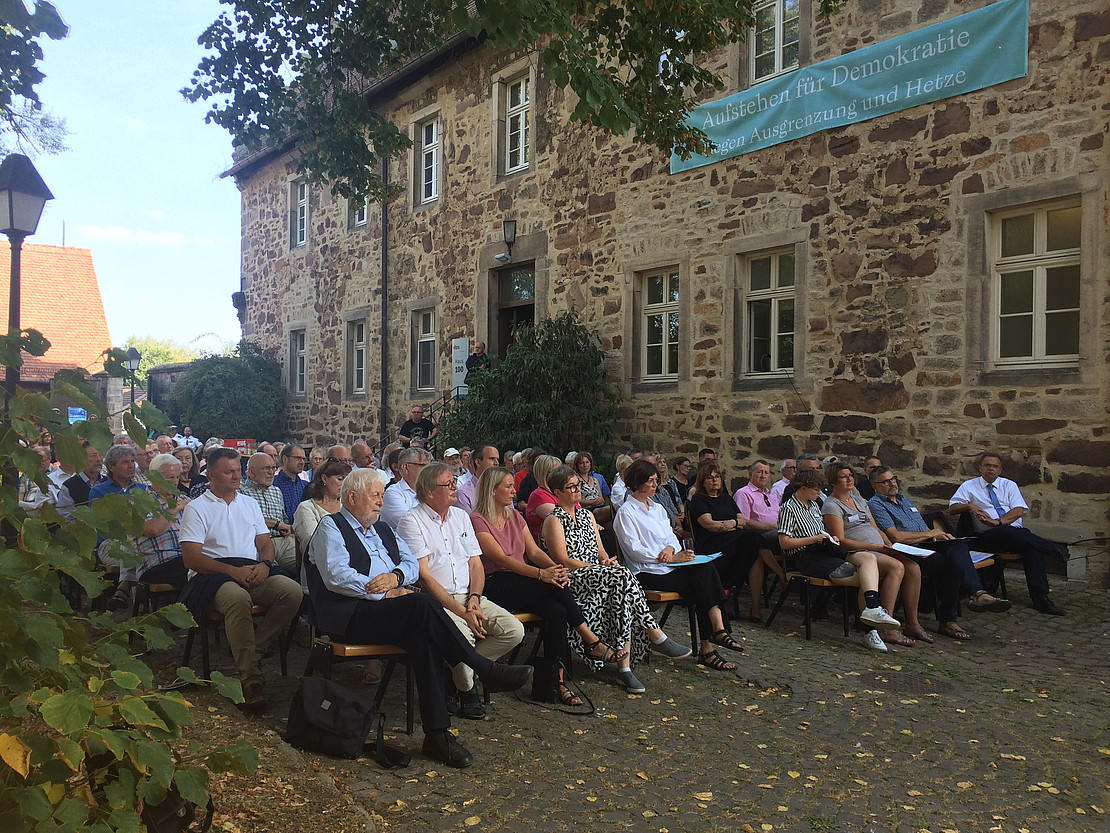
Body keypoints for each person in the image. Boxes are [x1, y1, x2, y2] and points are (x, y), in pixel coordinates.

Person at [305, 468, 533, 768]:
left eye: (383, 496)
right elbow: (336, 575)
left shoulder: (382, 530)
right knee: (423, 604)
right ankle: (483, 668)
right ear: (352, 497)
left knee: (423, 638)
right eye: (375, 496)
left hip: (390, 611)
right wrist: (383, 592)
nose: (381, 503)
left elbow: (411, 565)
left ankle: (437, 735)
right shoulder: (330, 527)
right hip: (350, 616)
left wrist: (396, 576)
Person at [470, 466, 622, 705]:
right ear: (492, 490)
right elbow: (501, 559)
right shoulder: (477, 519)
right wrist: (543, 574)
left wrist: (555, 569)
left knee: (557, 611)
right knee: (554, 586)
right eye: (508, 487)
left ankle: (555, 682)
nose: (514, 491)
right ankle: (591, 640)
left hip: (524, 580)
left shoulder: (515, 517)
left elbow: (533, 551)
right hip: (495, 582)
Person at [543, 465, 692, 693]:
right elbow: (562, 560)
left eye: (578, 485)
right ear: (557, 492)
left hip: (600, 575)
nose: (577, 490)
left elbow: (601, 551)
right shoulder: (554, 520)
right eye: (570, 487)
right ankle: (654, 634)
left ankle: (625, 669)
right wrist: (600, 567)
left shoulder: (587, 515)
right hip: (573, 578)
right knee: (622, 575)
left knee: (621, 591)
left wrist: (606, 562)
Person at [395, 463, 524, 720]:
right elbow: (424, 578)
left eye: (455, 482)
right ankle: (468, 692)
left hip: (469, 595)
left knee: (514, 631)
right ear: (430, 492)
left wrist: (474, 600)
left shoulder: (461, 517)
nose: (455, 487)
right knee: (462, 637)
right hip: (436, 601)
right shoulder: (412, 521)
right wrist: (463, 613)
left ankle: (453, 674)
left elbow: (475, 563)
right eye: (448, 484)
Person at [180, 448, 303, 711]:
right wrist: (231, 572)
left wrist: (266, 565)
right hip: (212, 575)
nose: (236, 476)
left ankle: (252, 652)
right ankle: (250, 679)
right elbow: (191, 559)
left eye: (238, 470)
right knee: (238, 599)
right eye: (229, 472)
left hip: (251, 568)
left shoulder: (249, 504)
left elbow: (264, 542)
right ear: (211, 474)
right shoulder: (197, 508)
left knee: (292, 592)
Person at [614, 459, 744, 672]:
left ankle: (716, 634)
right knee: (701, 581)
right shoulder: (626, 512)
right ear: (637, 483)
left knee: (705, 569)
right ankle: (711, 642)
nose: (656, 485)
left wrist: (672, 550)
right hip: (646, 572)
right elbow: (633, 550)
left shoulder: (657, 508)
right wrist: (665, 556)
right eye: (650, 481)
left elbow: (671, 538)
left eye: (657, 481)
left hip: (670, 566)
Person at [868, 466, 1010, 640]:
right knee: (954, 563)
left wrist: (939, 535)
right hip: (908, 551)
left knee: (958, 547)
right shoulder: (876, 505)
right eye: (886, 481)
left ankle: (976, 595)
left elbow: (924, 528)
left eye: (893, 479)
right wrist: (931, 533)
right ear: (875, 486)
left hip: (928, 545)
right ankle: (956, 614)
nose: (892, 483)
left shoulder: (905, 500)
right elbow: (896, 537)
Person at [777, 468, 901, 652]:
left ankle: (872, 611)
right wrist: (815, 539)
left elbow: (820, 532)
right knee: (867, 580)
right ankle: (870, 630)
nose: (819, 493)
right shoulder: (789, 508)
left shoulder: (812, 506)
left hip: (825, 548)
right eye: (816, 489)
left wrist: (827, 538)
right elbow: (784, 543)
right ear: (803, 488)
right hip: (807, 556)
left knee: (868, 560)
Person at [948, 453, 1065, 615]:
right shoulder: (969, 486)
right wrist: (969, 506)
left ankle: (1041, 599)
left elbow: (1018, 510)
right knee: (1005, 532)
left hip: (1013, 533)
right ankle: (1051, 547)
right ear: (980, 468)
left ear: (1000, 470)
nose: (991, 468)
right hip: (987, 537)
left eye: (995, 466)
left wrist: (999, 522)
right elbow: (952, 508)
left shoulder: (1009, 485)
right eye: (987, 465)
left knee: (1033, 550)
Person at [821, 463, 918, 648]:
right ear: (833, 481)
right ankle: (883, 624)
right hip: (856, 552)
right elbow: (839, 540)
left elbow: (873, 526)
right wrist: (875, 547)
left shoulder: (859, 500)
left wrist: (887, 544)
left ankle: (886, 621)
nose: (849, 479)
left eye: (850, 475)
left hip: (877, 548)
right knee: (896, 567)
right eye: (843, 477)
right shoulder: (831, 505)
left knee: (907, 565)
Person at [688, 460, 769, 623]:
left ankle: (755, 607)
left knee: (753, 549)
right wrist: (730, 524)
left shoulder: (726, 498)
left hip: (731, 538)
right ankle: (781, 574)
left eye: (717, 477)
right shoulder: (699, 500)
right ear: (703, 481)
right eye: (710, 478)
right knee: (752, 538)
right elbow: (708, 524)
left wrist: (730, 524)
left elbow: (742, 521)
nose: (714, 480)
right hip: (711, 542)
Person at [89, 444, 146, 610]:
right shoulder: (99, 492)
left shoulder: (142, 489)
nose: (131, 466)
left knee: (138, 551)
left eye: (133, 461)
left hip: (138, 542)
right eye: (125, 462)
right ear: (111, 467)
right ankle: (139, 606)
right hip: (109, 544)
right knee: (134, 551)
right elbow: (104, 525)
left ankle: (124, 589)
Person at [135, 454, 191, 589]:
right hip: (158, 564)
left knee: (216, 567)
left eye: (178, 477)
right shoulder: (140, 501)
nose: (176, 482)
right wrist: (176, 507)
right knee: (199, 575)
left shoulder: (185, 499)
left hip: (187, 559)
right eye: (171, 477)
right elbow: (153, 530)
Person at [733, 459, 787, 589]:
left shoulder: (769, 495)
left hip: (776, 534)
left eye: (766, 473)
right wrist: (773, 527)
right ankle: (785, 576)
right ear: (750, 474)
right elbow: (744, 523)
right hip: (758, 537)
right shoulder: (743, 493)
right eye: (759, 472)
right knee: (786, 536)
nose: (763, 476)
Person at [239, 453, 297, 576]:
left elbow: (284, 519)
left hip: (283, 541)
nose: (271, 472)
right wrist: (276, 524)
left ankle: (308, 593)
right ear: (251, 472)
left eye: (273, 468)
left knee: (310, 564)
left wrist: (289, 530)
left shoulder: (276, 492)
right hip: (258, 543)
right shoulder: (240, 492)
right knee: (277, 575)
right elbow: (246, 520)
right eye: (266, 468)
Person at [380, 447, 429, 528]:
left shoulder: (432, 490)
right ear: (405, 467)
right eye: (423, 465)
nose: (428, 470)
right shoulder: (393, 493)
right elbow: (408, 524)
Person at [55, 442, 105, 519]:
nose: (98, 459)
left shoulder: (109, 482)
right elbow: (67, 518)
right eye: (93, 456)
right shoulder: (69, 487)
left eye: (100, 455)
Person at [524, 454, 561, 540]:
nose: (561, 475)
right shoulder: (539, 496)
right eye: (556, 472)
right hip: (552, 544)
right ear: (544, 473)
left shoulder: (558, 492)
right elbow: (563, 520)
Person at [455, 444, 500, 514]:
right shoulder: (463, 494)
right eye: (492, 459)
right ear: (478, 462)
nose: (496, 463)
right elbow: (468, 523)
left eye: (497, 459)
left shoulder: (503, 489)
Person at [572, 452, 611, 523]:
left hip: (599, 507)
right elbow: (576, 501)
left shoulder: (594, 480)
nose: (585, 465)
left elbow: (601, 498)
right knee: (611, 509)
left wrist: (599, 501)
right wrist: (593, 502)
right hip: (586, 509)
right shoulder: (575, 480)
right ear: (577, 465)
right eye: (582, 463)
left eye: (587, 462)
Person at [274, 444, 307, 523]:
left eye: (303, 459)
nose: (302, 462)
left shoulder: (306, 486)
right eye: (298, 458)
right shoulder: (273, 484)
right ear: (285, 459)